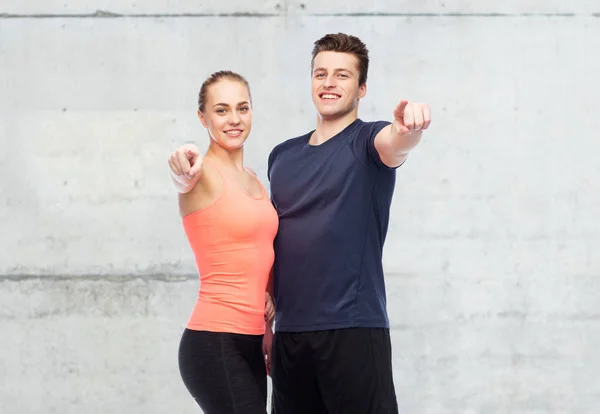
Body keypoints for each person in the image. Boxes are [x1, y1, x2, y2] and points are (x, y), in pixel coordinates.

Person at [265, 33, 431, 414]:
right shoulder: (282, 156)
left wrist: (410, 129)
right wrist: (267, 322)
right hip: (290, 335)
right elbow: (275, 241)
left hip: (352, 329)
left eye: (342, 75)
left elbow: (397, 143)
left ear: (361, 89)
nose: (328, 83)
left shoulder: (369, 141)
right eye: (320, 73)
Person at [169, 70, 278, 414]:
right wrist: (181, 166)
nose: (234, 119)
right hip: (214, 341)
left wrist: (268, 324)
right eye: (221, 110)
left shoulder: (254, 180)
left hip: (251, 341)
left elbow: (259, 255)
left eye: (242, 108)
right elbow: (182, 175)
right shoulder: (201, 175)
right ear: (202, 117)